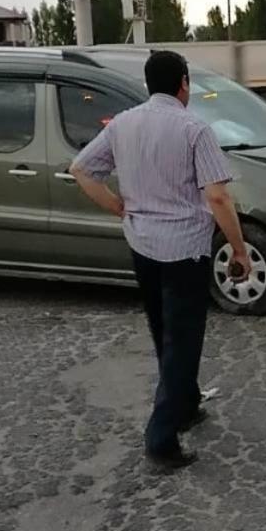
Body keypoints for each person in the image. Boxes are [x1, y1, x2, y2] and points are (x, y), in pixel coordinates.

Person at [70, 50, 252, 470]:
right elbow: (218, 195)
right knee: (183, 342)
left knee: (163, 333)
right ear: (184, 83)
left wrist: (118, 207)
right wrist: (238, 249)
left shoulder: (123, 124)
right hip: (184, 249)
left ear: (150, 84)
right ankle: (161, 437)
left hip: (142, 245)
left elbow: (81, 169)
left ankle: (185, 404)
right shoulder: (194, 129)